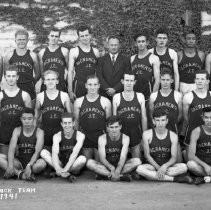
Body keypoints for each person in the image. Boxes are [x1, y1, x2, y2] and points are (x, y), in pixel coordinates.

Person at [136, 109, 192, 183]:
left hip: (167, 167)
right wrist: (159, 168)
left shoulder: (173, 136)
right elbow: (147, 155)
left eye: (163, 120)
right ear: (153, 121)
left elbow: (174, 157)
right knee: (139, 169)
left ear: (167, 121)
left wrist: (164, 166)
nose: (160, 123)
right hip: (152, 166)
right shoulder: (147, 134)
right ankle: (174, 179)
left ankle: (152, 176)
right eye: (158, 120)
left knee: (184, 167)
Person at [35, 70, 72, 167]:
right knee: (44, 154)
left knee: (61, 156)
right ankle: (56, 168)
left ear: (57, 81)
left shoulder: (64, 95)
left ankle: (58, 168)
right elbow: (36, 115)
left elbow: (70, 115)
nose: (50, 82)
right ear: (44, 81)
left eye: (53, 79)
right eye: (48, 79)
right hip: (46, 131)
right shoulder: (40, 96)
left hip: (60, 131)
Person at [87, 116, 141, 181]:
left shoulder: (125, 138)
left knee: (137, 161)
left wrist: (118, 169)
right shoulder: (102, 138)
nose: (114, 130)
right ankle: (120, 177)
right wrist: (111, 167)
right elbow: (102, 159)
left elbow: (123, 157)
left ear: (120, 127)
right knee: (89, 163)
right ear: (107, 128)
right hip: (106, 166)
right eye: (111, 127)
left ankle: (106, 176)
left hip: (121, 165)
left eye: (116, 127)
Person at [0, 65, 31, 171]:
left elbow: (29, 121)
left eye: (13, 76)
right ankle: (18, 173)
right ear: (5, 77)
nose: (11, 78)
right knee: (2, 160)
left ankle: (16, 170)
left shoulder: (25, 96)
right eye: (9, 76)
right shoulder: (0, 96)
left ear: (17, 77)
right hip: (4, 137)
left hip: (20, 138)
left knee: (17, 163)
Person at [74, 75, 111, 160]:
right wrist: (76, 138)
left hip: (100, 137)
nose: (92, 87)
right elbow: (76, 121)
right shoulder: (78, 102)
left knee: (99, 164)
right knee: (87, 164)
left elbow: (109, 123)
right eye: (90, 84)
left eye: (95, 84)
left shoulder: (106, 101)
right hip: (85, 136)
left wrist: (107, 140)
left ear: (99, 85)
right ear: (86, 85)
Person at [4, 108, 46, 181]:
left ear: (34, 119)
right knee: (2, 158)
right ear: (21, 119)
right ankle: (21, 174)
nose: (27, 121)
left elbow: (37, 152)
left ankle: (24, 172)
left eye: (29, 119)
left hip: (33, 163)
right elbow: (11, 149)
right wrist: (10, 165)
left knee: (42, 164)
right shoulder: (17, 130)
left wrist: (29, 165)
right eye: (24, 119)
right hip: (19, 163)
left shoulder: (39, 132)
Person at [113, 72, 147, 158]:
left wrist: (144, 137)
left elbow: (144, 118)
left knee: (137, 163)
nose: (129, 83)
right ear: (122, 81)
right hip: (121, 137)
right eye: (127, 80)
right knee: (120, 163)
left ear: (134, 82)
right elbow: (114, 120)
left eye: (131, 80)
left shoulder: (140, 96)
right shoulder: (116, 97)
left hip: (136, 136)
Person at [4, 29, 40, 105]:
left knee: (29, 113)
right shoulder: (9, 56)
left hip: (28, 87)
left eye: (23, 39)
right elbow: (5, 73)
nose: (21, 41)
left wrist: (31, 81)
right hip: (14, 87)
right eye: (19, 39)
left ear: (27, 40)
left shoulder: (33, 55)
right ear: (15, 40)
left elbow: (38, 74)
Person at [52, 113, 86, 182]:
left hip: (73, 165)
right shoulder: (57, 136)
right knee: (44, 153)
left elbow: (75, 153)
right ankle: (62, 172)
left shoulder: (80, 135)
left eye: (69, 123)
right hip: (61, 163)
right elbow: (55, 153)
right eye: (65, 123)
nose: (67, 125)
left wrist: (65, 169)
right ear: (61, 124)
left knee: (82, 159)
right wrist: (58, 168)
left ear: (73, 123)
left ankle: (64, 173)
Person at [68, 25, 99, 100]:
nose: (85, 38)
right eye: (82, 36)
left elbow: (98, 72)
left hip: (92, 85)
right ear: (79, 37)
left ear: (90, 35)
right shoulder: (74, 51)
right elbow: (70, 71)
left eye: (86, 35)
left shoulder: (96, 51)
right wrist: (70, 91)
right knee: (77, 108)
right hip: (79, 85)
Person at [183, 71, 211, 151]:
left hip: (209, 131)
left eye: (202, 79)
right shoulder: (188, 96)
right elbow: (186, 117)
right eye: (197, 79)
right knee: (190, 161)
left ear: (207, 81)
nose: (200, 81)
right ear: (195, 80)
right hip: (192, 131)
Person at [149, 68, 182, 134]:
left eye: (167, 80)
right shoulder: (153, 96)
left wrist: (173, 123)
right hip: (158, 130)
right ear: (160, 80)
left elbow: (180, 115)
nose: (165, 82)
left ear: (172, 80)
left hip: (172, 129)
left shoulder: (178, 95)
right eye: (163, 80)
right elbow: (151, 115)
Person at [97, 35, 131, 100]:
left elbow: (126, 77)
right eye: (111, 45)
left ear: (119, 45)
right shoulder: (101, 60)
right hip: (104, 94)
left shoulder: (126, 60)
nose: (113, 47)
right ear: (108, 45)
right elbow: (99, 76)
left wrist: (115, 89)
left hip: (120, 93)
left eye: (115, 45)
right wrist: (107, 89)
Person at [131, 30, 160, 101]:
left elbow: (157, 80)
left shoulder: (154, 58)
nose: (141, 44)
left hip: (148, 95)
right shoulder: (132, 58)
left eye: (143, 41)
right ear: (135, 43)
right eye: (139, 42)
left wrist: (153, 97)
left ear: (147, 43)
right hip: (135, 95)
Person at [38, 27, 69, 92]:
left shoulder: (64, 51)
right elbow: (41, 72)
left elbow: (69, 69)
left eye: (56, 36)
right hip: (46, 86)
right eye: (52, 36)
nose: (54, 38)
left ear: (59, 38)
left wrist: (67, 83)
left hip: (60, 85)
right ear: (48, 36)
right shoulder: (42, 52)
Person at [187, 107, 211, 185]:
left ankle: (207, 177)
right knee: (190, 164)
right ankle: (208, 176)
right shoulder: (197, 131)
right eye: (206, 117)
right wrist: (205, 166)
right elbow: (191, 155)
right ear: (203, 118)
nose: (209, 120)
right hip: (202, 166)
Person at [178, 29, 205, 95]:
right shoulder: (179, 54)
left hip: (196, 84)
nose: (191, 41)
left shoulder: (201, 54)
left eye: (193, 39)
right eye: (188, 39)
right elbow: (175, 72)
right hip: (183, 85)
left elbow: (203, 72)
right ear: (185, 40)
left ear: (196, 41)